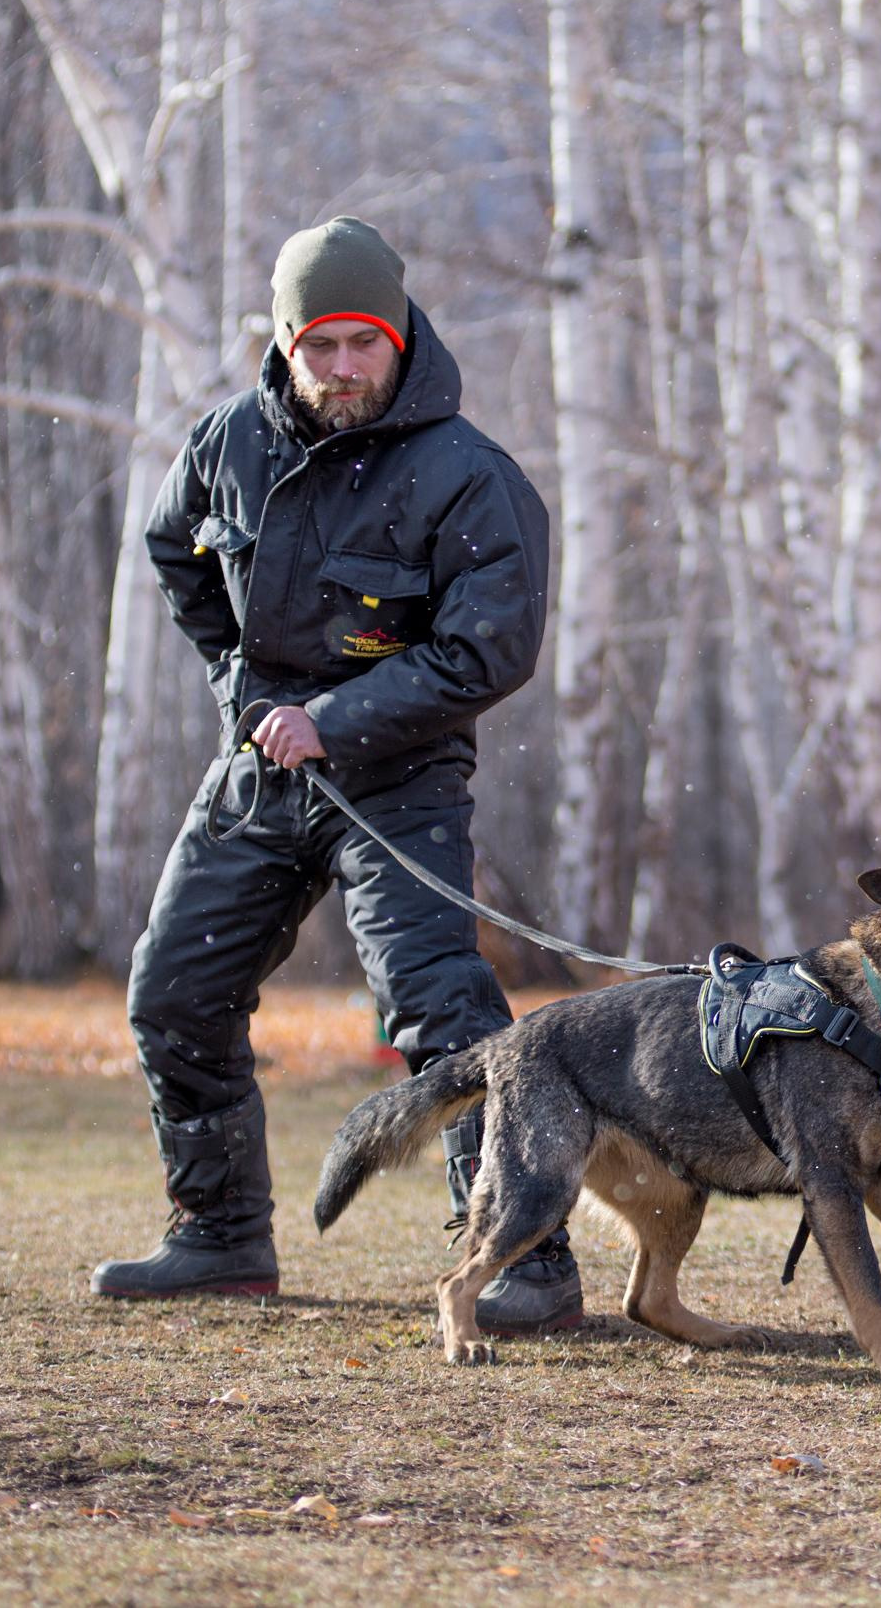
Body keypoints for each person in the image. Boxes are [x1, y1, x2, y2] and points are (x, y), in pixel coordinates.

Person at [90, 216, 579, 1336]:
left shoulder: (469, 476)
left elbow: (489, 651)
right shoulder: (228, 442)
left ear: (400, 335)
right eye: (321, 344)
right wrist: (249, 695)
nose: (345, 366)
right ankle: (219, 1236)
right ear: (286, 342)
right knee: (174, 992)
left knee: (441, 1015)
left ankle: (526, 1261)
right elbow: (175, 552)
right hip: (261, 767)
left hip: (400, 779)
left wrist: (336, 719)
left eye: (366, 342)